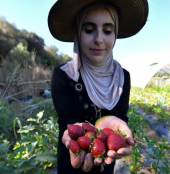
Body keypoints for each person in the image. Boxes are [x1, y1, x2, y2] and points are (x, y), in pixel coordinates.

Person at [48, 0, 148, 173]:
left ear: (115, 34)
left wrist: (119, 127)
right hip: (72, 158)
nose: (99, 39)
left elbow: (120, 117)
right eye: (89, 30)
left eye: (108, 31)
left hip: (106, 160)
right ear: (78, 32)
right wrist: (77, 131)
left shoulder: (122, 77)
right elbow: (66, 119)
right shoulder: (64, 75)